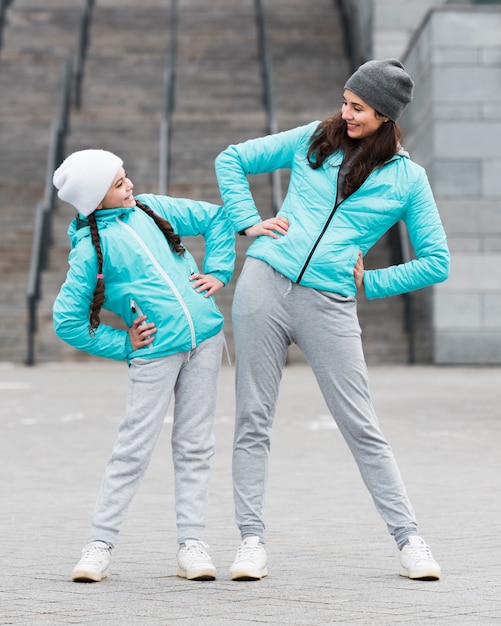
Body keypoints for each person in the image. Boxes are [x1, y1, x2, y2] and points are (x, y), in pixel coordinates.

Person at [215, 58, 449, 582]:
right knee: (252, 419)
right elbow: (232, 159)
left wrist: (373, 280)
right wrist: (248, 222)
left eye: (358, 108)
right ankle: (250, 542)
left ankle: (410, 540)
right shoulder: (314, 139)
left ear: (386, 116)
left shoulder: (407, 179)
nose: (345, 113)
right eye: (345, 101)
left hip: (330, 303)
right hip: (265, 284)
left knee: (361, 425)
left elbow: (437, 259)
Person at [52, 149, 235, 583]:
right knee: (133, 448)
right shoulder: (89, 251)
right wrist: (125, 345)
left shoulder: (152, 208)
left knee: (195, 445)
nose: (129, 184)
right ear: (95, 200)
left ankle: (192, 544)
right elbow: (67, 321)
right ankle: (99, 545)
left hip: (205, 341)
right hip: (154, 353)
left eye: (125, 175)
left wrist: (219, 272)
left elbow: (218, 219)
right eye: (117, 184)